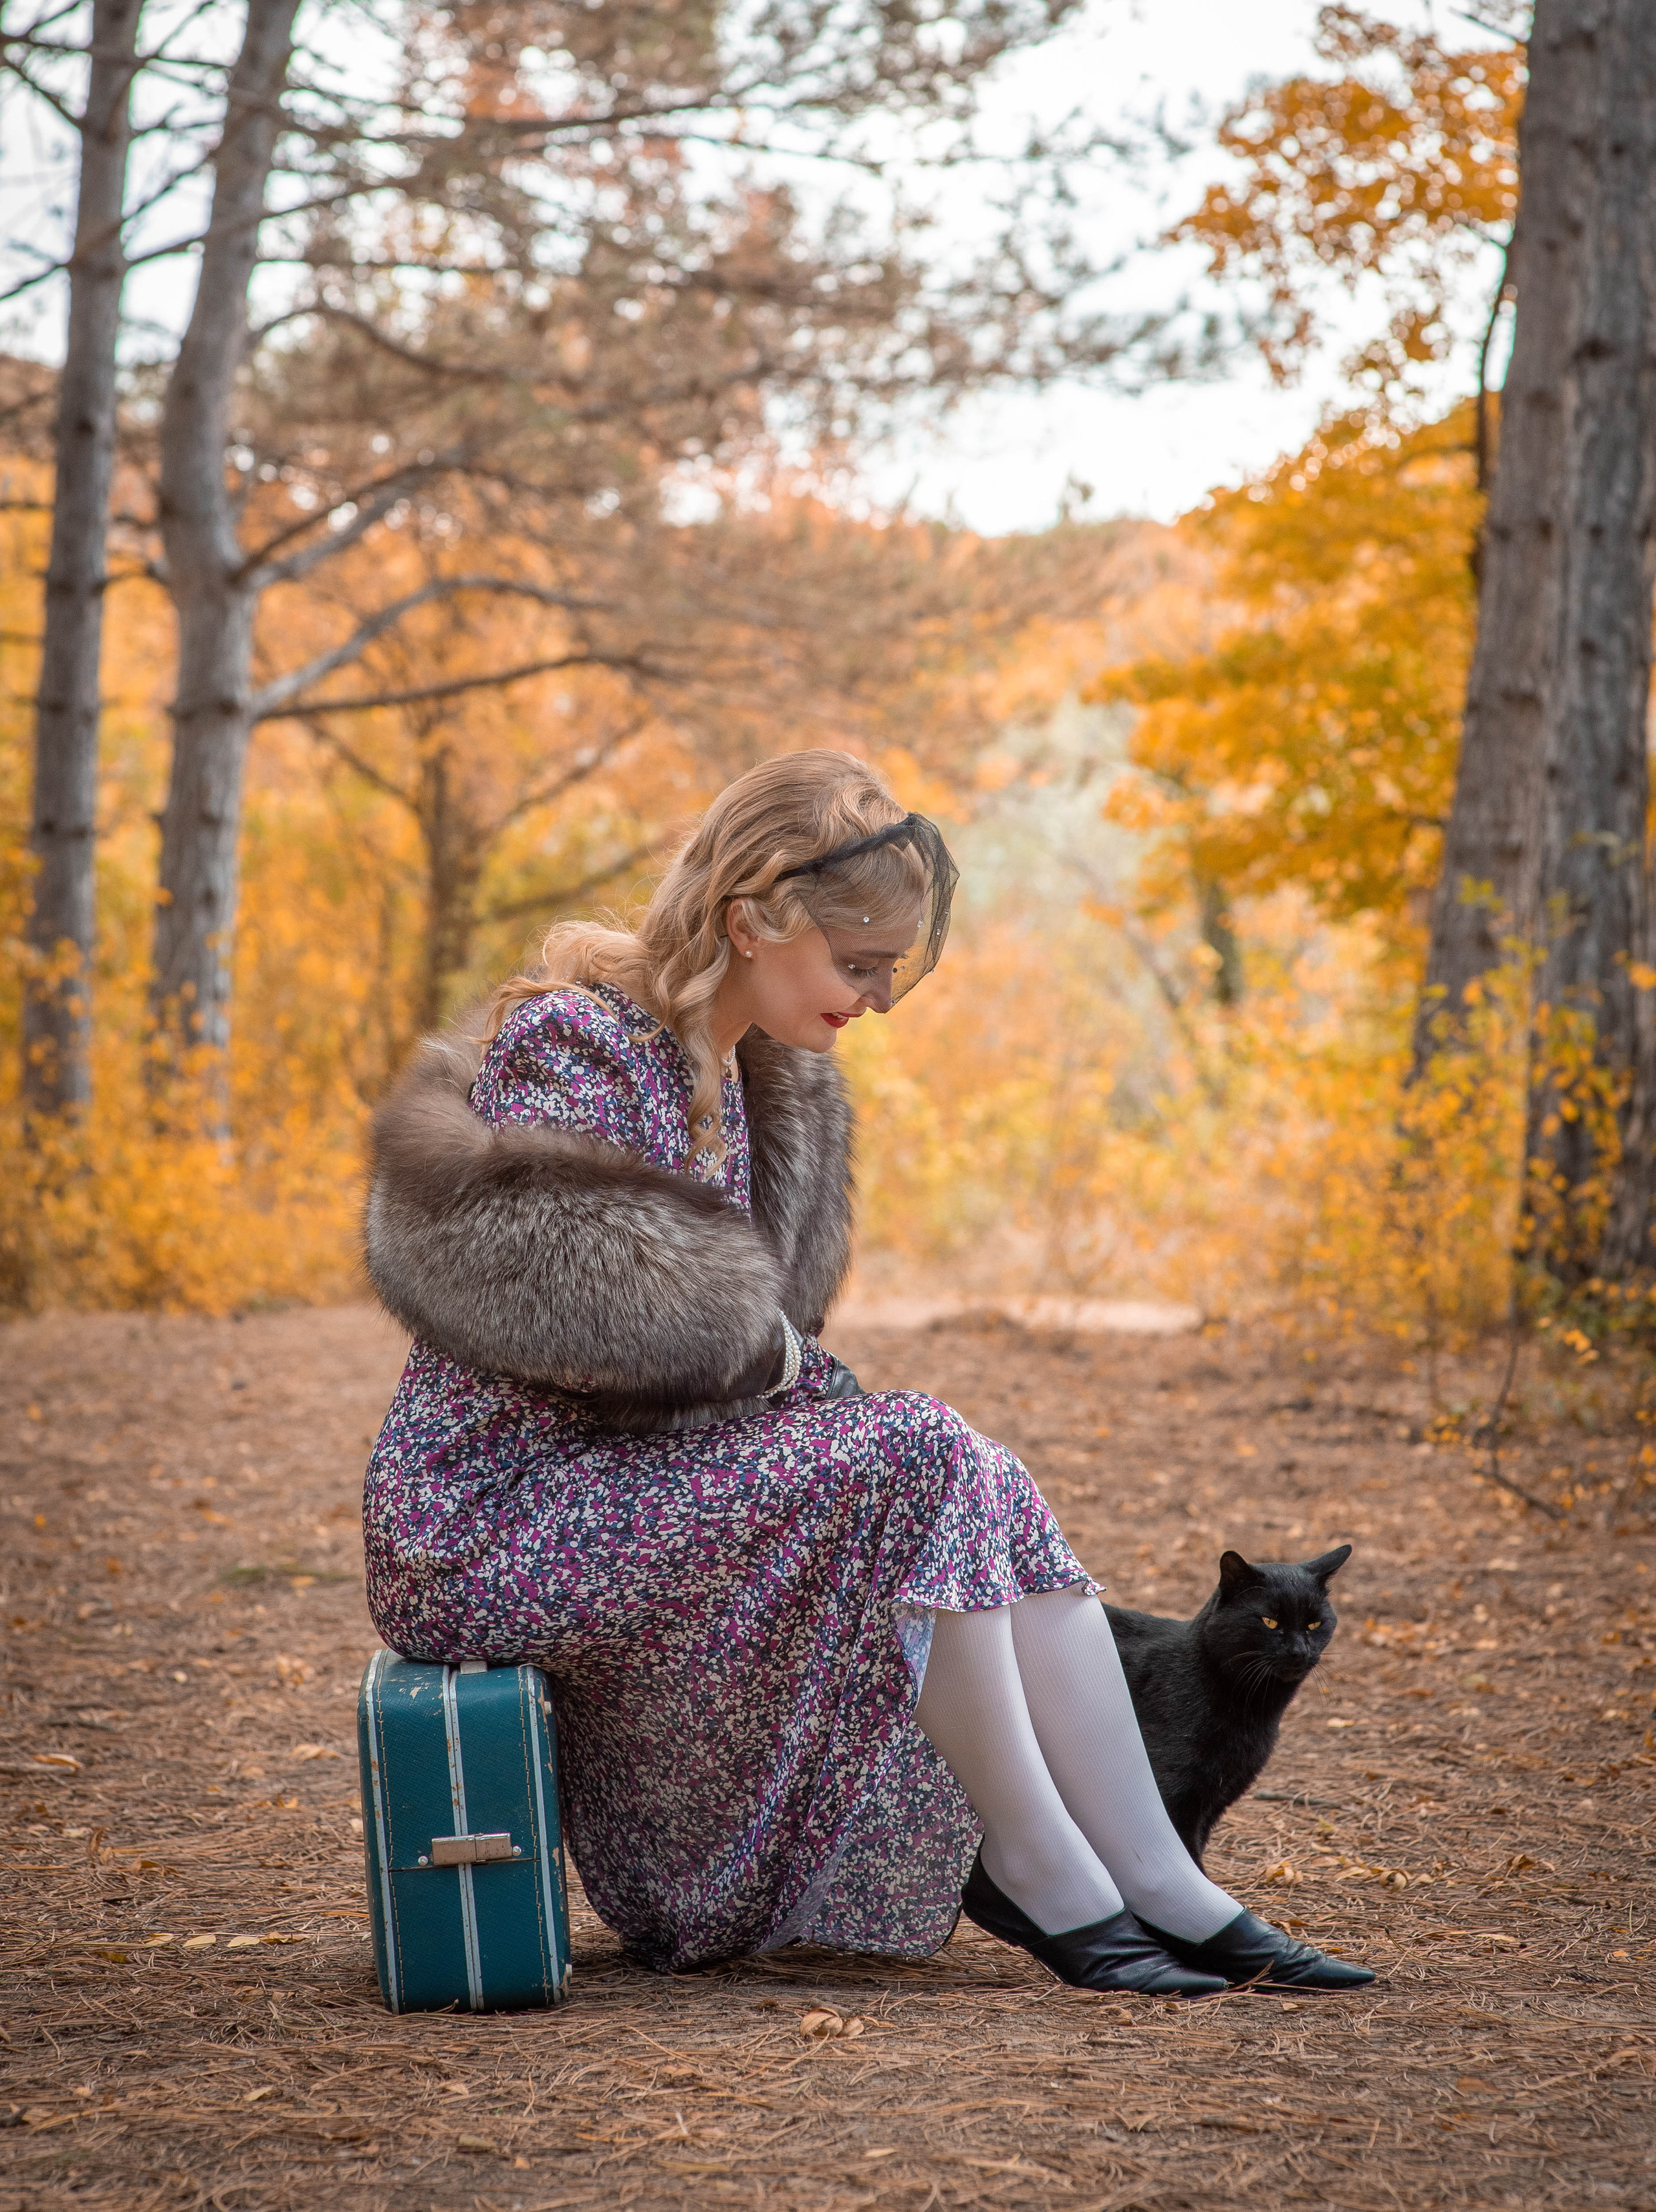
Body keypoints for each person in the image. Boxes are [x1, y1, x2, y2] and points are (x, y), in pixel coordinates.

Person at [362, 750, 1371, 1997]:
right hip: (503, 1511)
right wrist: (791, 1367)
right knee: (919, 1447)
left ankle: (1161, 1878)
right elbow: (586, 1316)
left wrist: (808, 1382)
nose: (881, 996)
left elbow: (734, 1369)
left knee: (970, 1467)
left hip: (631, 1486)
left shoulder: (750, 1074)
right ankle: (1045, 1872)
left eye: (894, 964)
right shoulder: (580, 1040)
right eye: (858, 961)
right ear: (751, 919)